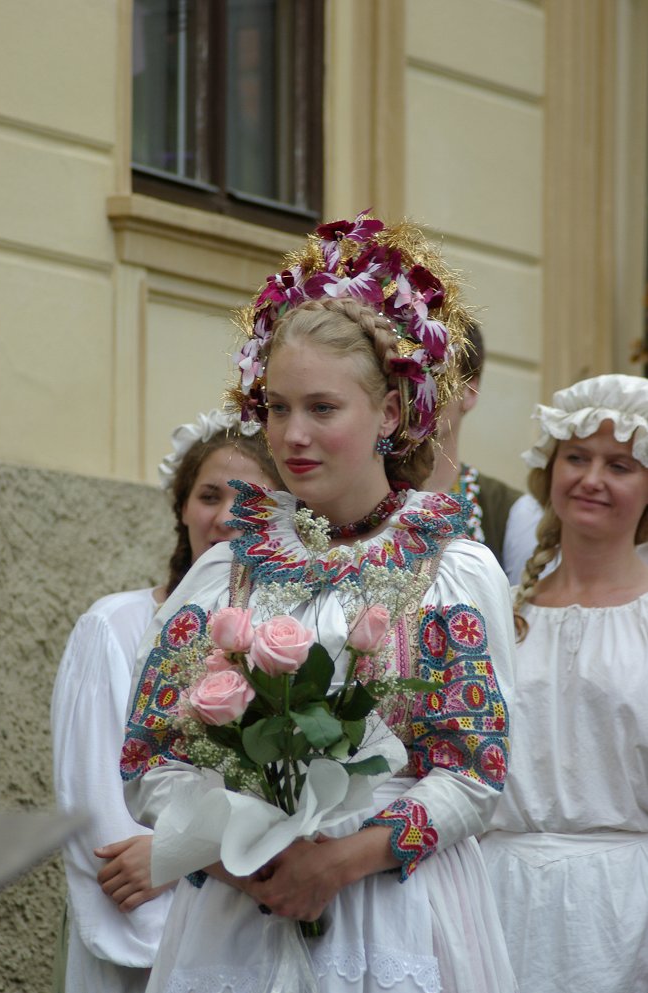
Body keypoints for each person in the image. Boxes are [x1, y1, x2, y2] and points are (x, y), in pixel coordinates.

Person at [122, 212, 518, 993]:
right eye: (275, 407)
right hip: (240, 916)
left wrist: (335, 862)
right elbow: (149, 760)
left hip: (392, 909)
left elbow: (475, 771)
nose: (292, 435)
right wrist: (247, 856)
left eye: (321, 408)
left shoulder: (452, 572)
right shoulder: (225, 574)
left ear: (392, 415)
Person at [51, 409, 281, 993]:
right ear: (182, 506)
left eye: (248, 499)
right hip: (144, 923)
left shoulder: (287, 643)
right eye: (208, 495)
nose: (226, 517)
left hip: (245, 923)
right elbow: (95, 794)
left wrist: (181, 852)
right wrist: (169, 868)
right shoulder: (114, 626)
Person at [480, 374, 648, 992]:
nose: (592, 478)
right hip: (494, 897)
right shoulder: (498, 609)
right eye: (576, 457)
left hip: (622, 915)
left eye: (621, 464)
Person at [422, 319, 530, 580]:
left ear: (470, 390)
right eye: (402, 372)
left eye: (436, 373)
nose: (417, 388)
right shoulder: (343, 504)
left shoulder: (513, 513)